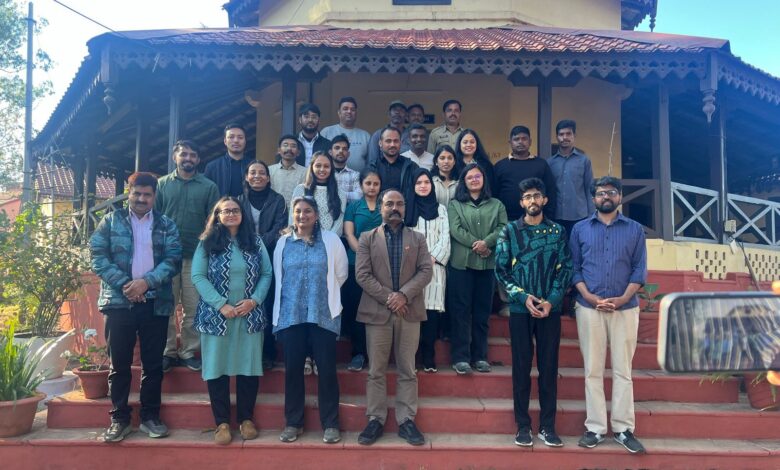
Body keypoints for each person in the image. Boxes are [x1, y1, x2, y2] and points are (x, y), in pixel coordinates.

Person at [90, 172, 182, 443]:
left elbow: (173, 259)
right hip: (119, 303)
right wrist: (127, 285)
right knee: (119, 365)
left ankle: (150, 417)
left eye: (147, 195)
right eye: (137, 194)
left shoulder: (166, 225)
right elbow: (97, 256)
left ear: (155, 196)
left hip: (155, 302)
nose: (141, 199)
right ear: (129, 193)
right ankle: (119, 418)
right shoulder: (110, 221)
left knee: (153, 365)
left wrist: (146, 283)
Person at [569, 176, 648, 455]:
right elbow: (574, 268)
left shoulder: (635, 230)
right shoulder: (580, 229)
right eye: (601, 193)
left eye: (611, 192)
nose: (606, 197)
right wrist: (588, 296)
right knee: (592, 369)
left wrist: (624, 297)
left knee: (622, 370)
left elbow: (639, 269)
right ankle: (595, 428)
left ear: (620, 197)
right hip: (589, 307)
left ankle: (624, 428)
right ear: (593, 199)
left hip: (625, 308)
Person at [494, 177, 572, 448]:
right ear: (521, 202)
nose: (532, 201)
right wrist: (523, 296)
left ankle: (548, 427)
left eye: (537, 196)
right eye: (527, 197)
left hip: (549, 310)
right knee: (521, 368)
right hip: (519, 308)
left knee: (549, 368)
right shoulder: (509, 231)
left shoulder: (558, 232)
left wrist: (551, 300)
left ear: (545, 200)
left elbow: (566, 268)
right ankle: (523, 426)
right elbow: (501, 270)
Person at [191, 197, 272, 445]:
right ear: (217, 215)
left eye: (235, 210)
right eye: (225, 211)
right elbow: (197, 275)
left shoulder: (255, 242)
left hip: (249, 315)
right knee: (217, 369)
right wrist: (220, 305)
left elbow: (267, 273)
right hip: (217, 316)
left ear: (242, 214)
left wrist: (254, 301)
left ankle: (246, 419)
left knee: (248, 367)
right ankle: (222, 423)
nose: (231, 214)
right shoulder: (207, 243)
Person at [355, 189, 433, 446]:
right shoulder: (367, 238)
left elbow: (425, 271)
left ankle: (406, 420)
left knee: (407, 369)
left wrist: (404, 296)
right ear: (381, 208)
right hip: (377, 312)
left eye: (399, 203)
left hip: (409, 312)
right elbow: (362, 275)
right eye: (389, 203)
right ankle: (375, 418)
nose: (395, 208)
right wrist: (391, 297)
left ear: (406, 207)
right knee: (376, 370)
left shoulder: (418, 238)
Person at [273, 196, 348, 444]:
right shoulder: (283, 243)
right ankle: (293, 422)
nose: (302, 215)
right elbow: (279, 277)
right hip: (291, 315)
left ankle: (331, 424)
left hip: (323, 314)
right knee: (293, 370)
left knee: (327, 370)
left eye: (307, 211)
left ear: (316, 215)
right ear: (292, 215)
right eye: (298, 211)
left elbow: (341, 274)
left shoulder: (331, 241)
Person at [154, 140, 219, 373]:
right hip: (166, 258)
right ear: (175, 157)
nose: (188, 158)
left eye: (193, 155)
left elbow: (214, 221)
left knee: (193, 307)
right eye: (184, 154)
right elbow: (154, 218)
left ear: (198, 160)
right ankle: (168, 352)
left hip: (196, 255)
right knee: (167, 306)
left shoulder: (209, 187)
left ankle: (189, 351)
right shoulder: (161, 185)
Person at [447, 163, 507, 375]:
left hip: (487, 265)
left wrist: (486, 243)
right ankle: (460, 357)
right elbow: (455, 229)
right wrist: (477, 244)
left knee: (482, 313)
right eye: (469, 177)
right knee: (461, 312)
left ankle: (480, 356)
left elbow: (502, 228)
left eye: (477, 176)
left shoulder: (497, 204)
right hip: (461, 265)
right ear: (463, 181)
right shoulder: (455, 204)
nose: (474, 179)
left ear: (484, 179)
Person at [493, 125, 558, 317]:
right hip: (507, 222)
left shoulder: (541, 165)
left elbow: (551, 193)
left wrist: (548, 220)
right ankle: (507, 302)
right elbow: (494, 196)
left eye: (524, 138)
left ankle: (537, 299)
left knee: (533, 261)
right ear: (510, 142)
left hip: (535, 222)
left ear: (529, 141)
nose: (520, 142)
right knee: (506, 263)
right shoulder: (501, 166)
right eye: (516, 139)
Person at [238, 160, 288, 369]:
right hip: (243, 258)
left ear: (268, 178)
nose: (257, 176)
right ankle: (245, 351)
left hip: (271, 257)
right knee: (245, 303)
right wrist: (250, 245)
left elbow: (280, 227)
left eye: (261, 173)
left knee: (266, 303)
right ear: (247, 177)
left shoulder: (278, 201)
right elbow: (236, 227)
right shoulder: (239, 200)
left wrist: (258, 243)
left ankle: (268, 352)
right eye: (253, 172)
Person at [405, 169, 450, 373]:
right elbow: (404, 238)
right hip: (411, 270)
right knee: (413, 313)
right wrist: (418, 260)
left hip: (435, 269)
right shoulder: (407, 208)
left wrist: (431, 258)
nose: (423, 186)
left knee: (431, 314)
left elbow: (445, 238)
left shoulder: (440, 209)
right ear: (412, 186)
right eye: (418, 182)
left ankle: (429, 357)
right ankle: (412, 357)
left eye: (426, 182)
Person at [342, 170, 383, 372]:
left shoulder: (386, 206)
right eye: (368, 183)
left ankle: (376, 354)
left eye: (376, 183)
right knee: (358, 308)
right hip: (355, 263)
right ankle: (358, 353)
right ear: (361, 185)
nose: (372, 187)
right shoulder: (353, 207)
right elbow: (349, 234)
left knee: (378, 310)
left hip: (382, 265)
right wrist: (364, 256)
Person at [546, 119, 595, 235]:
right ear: (557, 137)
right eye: (561, 134)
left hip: (579, 216)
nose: (565, 137)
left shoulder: (584, 161)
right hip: (555, 216)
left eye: (568, 134)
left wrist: (591, 215)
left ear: (574, 136)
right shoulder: (549, 163)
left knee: (577, 250)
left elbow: (590, 188)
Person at [290, 151, 347, 236]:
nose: (322, 169)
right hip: (302, 241)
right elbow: (293, 219)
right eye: (318, 165)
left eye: (326, 166)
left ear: (331, 169)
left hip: (329, 243)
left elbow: (339, 223)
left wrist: (326, 241)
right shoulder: (300, 189)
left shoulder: (340, 193)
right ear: (312, 167)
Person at [321, 96, 372, 173]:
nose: (349, 111)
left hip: (359, 181)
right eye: (345, 109)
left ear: (356, 113)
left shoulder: (365, 136)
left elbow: (371, 162)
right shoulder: (326, 132)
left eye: (352, 109)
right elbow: (319, 157)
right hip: (330, 180)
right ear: (339, 112)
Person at [204, 123, 254, 197]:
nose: (236, 140)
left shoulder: (253, 166)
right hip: (221, 207)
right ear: (225, 141)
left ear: (245, 141)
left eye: (240, 137)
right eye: (231, 137)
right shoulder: (212, 167)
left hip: (248, 208)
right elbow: (206, 194)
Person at [367, 126, 419, 194]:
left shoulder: (411, 167)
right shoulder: (372, 167)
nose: (392, 145)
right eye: (388, 141)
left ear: (401, 143)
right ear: (380, 143)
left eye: (396, 141)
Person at [368, 100, 411, 166]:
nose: (397, 112)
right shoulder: (377, 135)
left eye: (401, 110)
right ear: (389, 115)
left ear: (406, 115)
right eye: (394, 110)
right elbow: (372, 160)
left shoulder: (411, 136)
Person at [269, 135, 306, 207]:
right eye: (285, 145)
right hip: (274, 213)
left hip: (296, 214)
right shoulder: (269, 170)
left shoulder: (306, 172)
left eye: (293, 146)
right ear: (279, 150)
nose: (289, 148)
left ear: (298, 152)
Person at [330, 134, 363, 203]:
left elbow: (359, 196)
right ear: (330, 152)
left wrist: (334, 194)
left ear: (348, 154)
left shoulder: (355, 175)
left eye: (344, 149)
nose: (341, 151)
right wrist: (348, 195)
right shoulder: (324, 173)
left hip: (348, 212)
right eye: (337, 148)